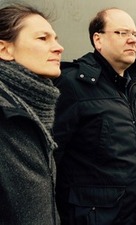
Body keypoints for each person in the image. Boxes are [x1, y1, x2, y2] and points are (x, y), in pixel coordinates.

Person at [53, 8, 136, 224]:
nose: (132, 40)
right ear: (98, 39)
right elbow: (51, 160)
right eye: (122, 33)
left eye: (135, 34)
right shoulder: (73, 84)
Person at [0, 3, 64, 224]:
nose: (58, 47)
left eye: (55, 38)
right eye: (42, 38)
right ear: (4, 50)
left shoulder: (36, 110)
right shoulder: (5, 114)